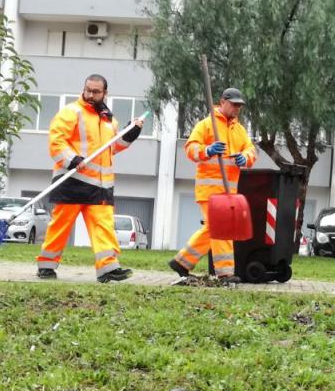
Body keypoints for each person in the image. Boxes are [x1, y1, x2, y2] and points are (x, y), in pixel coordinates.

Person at [35, 74, 144, 283]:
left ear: (105, 93)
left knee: (104, 226)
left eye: (96, 91)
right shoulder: (71, 112)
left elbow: (111, 149)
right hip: (72, 180)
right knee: (61, 226)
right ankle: (46, 266)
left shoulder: (109, 120)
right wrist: (72, 159)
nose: (91, 94)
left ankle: (108, 269)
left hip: (101, 185)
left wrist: (130, 134)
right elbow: (56, 142)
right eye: (88, 90)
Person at [169, 87, 257, 283]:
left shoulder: (239, 130)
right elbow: (190, 149)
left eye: (239, 106)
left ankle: (182, 262)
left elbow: (251, 151)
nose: (236, 109)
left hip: (228, 190)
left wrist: (245, 158)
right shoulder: (206, 125)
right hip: (209, 190)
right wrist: (207, 150)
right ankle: (225, 273)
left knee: (214, 228)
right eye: (234, 104)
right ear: (222, 102)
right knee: (221, 229)